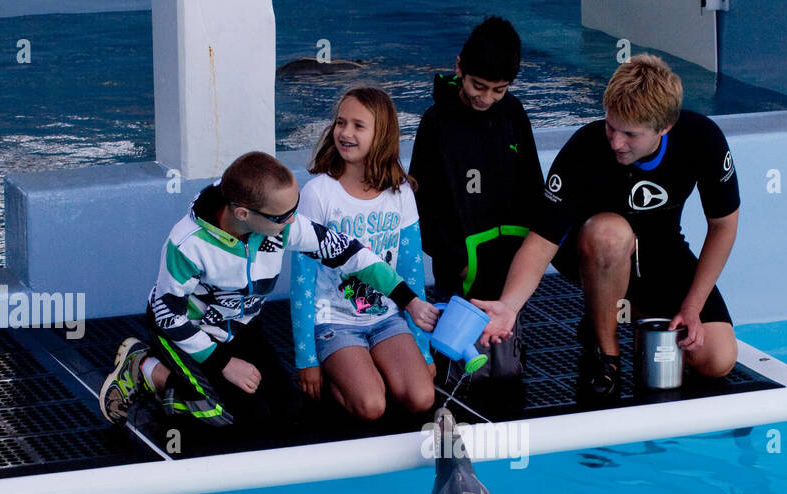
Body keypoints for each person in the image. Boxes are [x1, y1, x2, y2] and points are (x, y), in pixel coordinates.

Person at [99, 151, 438, 431]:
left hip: (242, 326)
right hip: (188, 331)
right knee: (222, 417)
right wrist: (223, 363)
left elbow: (346, 252)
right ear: (243, 213)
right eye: (284, 216)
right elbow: (166, 313)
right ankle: (144, 369)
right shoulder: (187, 244)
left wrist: (407, 300)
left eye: (295, 208)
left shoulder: (277, 222)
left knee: (290, 413)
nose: (293, 221)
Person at [473, 54, 741, 397]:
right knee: (611, 233)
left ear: (665, 127)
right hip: (595, 252)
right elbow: (540, 243)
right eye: (610, 126)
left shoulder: (702, 139)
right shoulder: (584, 149)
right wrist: (509, 306)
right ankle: (605, 351)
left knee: (717, 359)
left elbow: (723, 226)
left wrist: (691, 305)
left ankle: (629, 312)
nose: (615, 142)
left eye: (630, 134)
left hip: (661, 252)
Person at [408, 15, 543, 382]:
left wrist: (531, 254)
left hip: (510, 264)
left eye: (498, 90)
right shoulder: (436, 123)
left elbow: (533, 185)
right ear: (459, 69)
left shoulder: (513, 113)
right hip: (461, 267)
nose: (487, 99)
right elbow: (422, 202)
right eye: (478, 86)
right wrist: (455, 260)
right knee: (461, 368)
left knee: (506, 370)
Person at [291, 88, 436, 421]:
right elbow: (302, 282)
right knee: (371, 406)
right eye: (341, 123)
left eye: (359, 125)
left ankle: (370, 368)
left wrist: (422, 348)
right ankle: (339, 376)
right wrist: (307, 360)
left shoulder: (399, 192)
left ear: (381, 134)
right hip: (335, 322)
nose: (345, 132)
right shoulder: (319, 193)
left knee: (421, 397)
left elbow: (411, 274)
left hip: (386, 319)